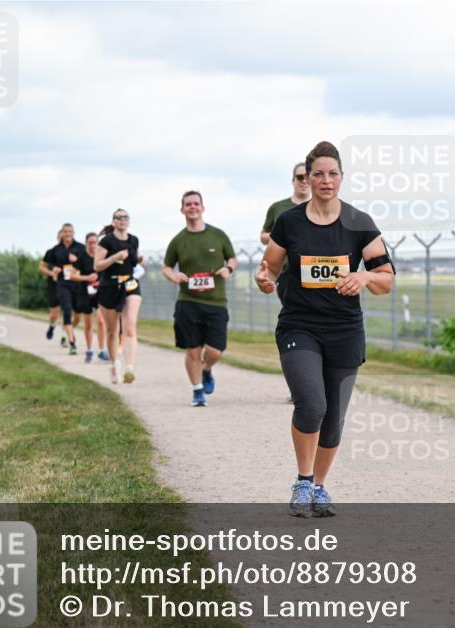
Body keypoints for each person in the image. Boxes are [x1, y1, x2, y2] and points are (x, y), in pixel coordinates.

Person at [256, 141, 394, 518]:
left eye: (333, 173)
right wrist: (263, 278)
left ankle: (319, 487)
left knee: (333, 418)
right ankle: (302, 481)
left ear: (342, 178)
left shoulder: (359, 223)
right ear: (308, 178)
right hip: (299, 325)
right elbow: (268, 265)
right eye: (317, 173)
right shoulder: (290, 221)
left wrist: (363, 278)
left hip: (344, 331)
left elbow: (386, 279)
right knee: (312, 404)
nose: (325, 180)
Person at [162, 191, 237, 407]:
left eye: (196, 203)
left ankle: (207, 369)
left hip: (216, 302)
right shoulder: (178, 240)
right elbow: (166, 267)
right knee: (193, 349)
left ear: (203, 208)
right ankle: (197, 391)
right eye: (188, 204)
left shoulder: (218, 235)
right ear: (182, 210)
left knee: (215, 350)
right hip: (188, 302)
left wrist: (228, 268)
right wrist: (173, 276)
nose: (192, 207)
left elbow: (232, 258)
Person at [262, 161, 311, 403]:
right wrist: (283, 238)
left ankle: (313, 380)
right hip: (289, 275)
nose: (303, 181)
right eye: (299, 177)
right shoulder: (279, 208)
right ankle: (300, 384)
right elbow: (263, 234)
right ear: (293, 180)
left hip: (320, 278)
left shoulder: (323, 208)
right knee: (300, 324)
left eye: (306, 176)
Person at [95, 209, 144, 383]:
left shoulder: (134, 240)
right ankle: (114, 364)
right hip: (109, 286)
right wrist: (114, 257)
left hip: (130, 284)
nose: (122, 220)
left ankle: (129, 367)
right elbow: (97, 266)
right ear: (113, 221)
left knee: (129, 327)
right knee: (112, 330)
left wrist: (139, 261)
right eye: (119, 218)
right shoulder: (106, 241)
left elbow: (133, 262)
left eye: (125, 217)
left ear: (129, 221)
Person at [40, 224, 87, 355]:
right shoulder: (55, 250)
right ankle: (72, 343)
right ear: (62, 233)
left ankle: (65, 330)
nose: (67, 234)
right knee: (66, 310)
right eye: (65, 231)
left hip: (77, 284)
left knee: (78, 316)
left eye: (70, 231)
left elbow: (87, 264)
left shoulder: (81, 248)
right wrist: (53, 270)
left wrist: (76, 260)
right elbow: (45, 266)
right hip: (61, 284)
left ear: (74, 232)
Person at [74, 232, 102, 363]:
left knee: (101, 321)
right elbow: (71, 275)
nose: (92, 245)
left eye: (94, 242)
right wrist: (87, 277)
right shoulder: (82, 258)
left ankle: (102, 350)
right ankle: (89, 350)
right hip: (85, 292)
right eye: (90, 242)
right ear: (86, 244)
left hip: (101, 292)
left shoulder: (102, 257)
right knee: (88, 323)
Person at [40, 230, 64, 344]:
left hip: (69, 285)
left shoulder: (74, 252)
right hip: (53, 285)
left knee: (68, 312)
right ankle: (52, 325)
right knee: (54, 313)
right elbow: (41, 267)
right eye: (61, 235)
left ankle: (65, 336)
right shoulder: (51, 252)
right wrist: (52, 273)